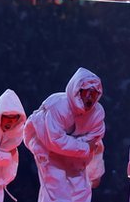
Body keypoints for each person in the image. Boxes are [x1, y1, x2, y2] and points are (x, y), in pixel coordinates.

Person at [23, 68, 106, 202]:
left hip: (75, 152)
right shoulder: (57, 106)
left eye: (94, 93)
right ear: (78, 91)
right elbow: (55, 141)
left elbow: (96, 141)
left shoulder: (97, 113)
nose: (90, 97)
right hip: (44, 144)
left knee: (82, 190)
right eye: (87, 92)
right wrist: (83, 146)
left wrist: (94, 171)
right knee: (56, 187)